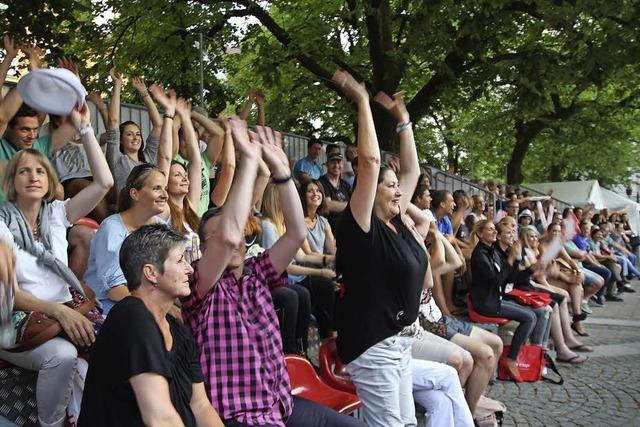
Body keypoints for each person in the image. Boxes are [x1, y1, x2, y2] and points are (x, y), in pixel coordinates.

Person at [181, 119, 364, 426]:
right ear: (203, 247)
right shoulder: (198, 284)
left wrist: (282, 175)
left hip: (281, 405)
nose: (236, 240)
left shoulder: (257, 273)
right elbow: (226, 237)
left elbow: (294, 234)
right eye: (226, 234)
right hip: (239, 416)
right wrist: (250, 161)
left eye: (241, 233)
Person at [332, 70, 472, 427]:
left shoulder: (395, 222)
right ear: (368, 190)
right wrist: (362, 103)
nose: (399, 192)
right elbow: (370, 162)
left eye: (398, 186)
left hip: (398, 342)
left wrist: (404, 122)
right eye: (390, 187)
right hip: (371, 346)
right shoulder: (360, 224)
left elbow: (411, 170)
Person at [0, 102, 113, 427]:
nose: (33, 176)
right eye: (24, 170)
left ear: (50, 180)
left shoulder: (56, 214)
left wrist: (86, 128)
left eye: (39, 170)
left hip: (61, 314)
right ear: (12, 181)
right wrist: (60, 311)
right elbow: (11, 296)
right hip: (15, 320)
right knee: (63, 356)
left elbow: (103, 183)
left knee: (116, 339)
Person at [78, 224, 223, 427]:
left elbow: (200, 406)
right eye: (180, 260)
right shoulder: (131, 316)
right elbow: (159, 418)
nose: (189, 269)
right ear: (151, 273)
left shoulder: (177, 328)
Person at [469, 220, 548, 382]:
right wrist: (511, 259)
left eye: (494, 230)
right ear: (479, 234)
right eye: (490, 230)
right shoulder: (479, 255)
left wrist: (530, 269)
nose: (494, 232)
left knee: (534, 314)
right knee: (529, 317)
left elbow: (510, 278)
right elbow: (496, 281)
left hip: (494, 299)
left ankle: (525, 354)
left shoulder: (491, 252)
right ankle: (511, 358)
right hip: (486, 303)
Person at [84, 163, 168, 315]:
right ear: (135, 194)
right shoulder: (112, 228)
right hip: (106, 304)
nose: (165, 195)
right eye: (157, 188)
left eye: (165, 188)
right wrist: (156, 308)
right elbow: (113, 289)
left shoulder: (162, 227)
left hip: (149, 299)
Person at [105, 68, 161, 193]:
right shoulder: (117, 158)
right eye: (130, 134)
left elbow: (158, 125)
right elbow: (113, 120)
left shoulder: (147, 158)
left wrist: (144, 94)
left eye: (138, 134)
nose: (136, 138)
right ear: (120, 140)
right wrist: (117, 85)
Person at [317, 151, 351, 231]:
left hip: (347, 226)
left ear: (342, 165)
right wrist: (350, 206)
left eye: (339, 162)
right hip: (328, 227)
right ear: (327, 165)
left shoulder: (345, 185)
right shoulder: (320, 183)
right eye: (333, 162)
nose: (336, 165)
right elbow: (328, 206)